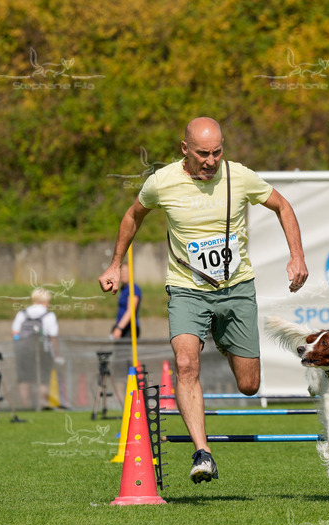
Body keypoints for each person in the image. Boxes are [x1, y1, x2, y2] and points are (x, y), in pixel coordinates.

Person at [98, 117, 308, 484]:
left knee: (249, 385)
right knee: (186, 364)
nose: (211, 161)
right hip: (186, 289)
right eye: (202, 154)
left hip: (236, 287)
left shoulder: (239, 176)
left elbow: (283, 206)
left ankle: (225, 339)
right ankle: (203, 452)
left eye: (217, 152)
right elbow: (133, 216)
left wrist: (297, 256)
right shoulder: (161, 182)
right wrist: (115, 263)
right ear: (185, 149)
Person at [11, 288, 62, 410]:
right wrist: (56, 354)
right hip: (43, 350)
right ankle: (41, 404)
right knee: (43, 378)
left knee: (24, 379)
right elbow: (53, 336)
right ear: (45, 301)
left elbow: (15, 333)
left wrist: (20, 343)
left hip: (23, 351)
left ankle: (25, 406)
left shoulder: (22, 314)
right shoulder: (49, 315)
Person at [111, 262, 142, 339]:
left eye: (126, 272)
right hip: (121, 326)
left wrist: (119, 328)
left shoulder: (133, 289)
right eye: (122, 272)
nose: (124, 274)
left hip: (129, 329)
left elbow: (130, 310)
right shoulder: (123, 289)